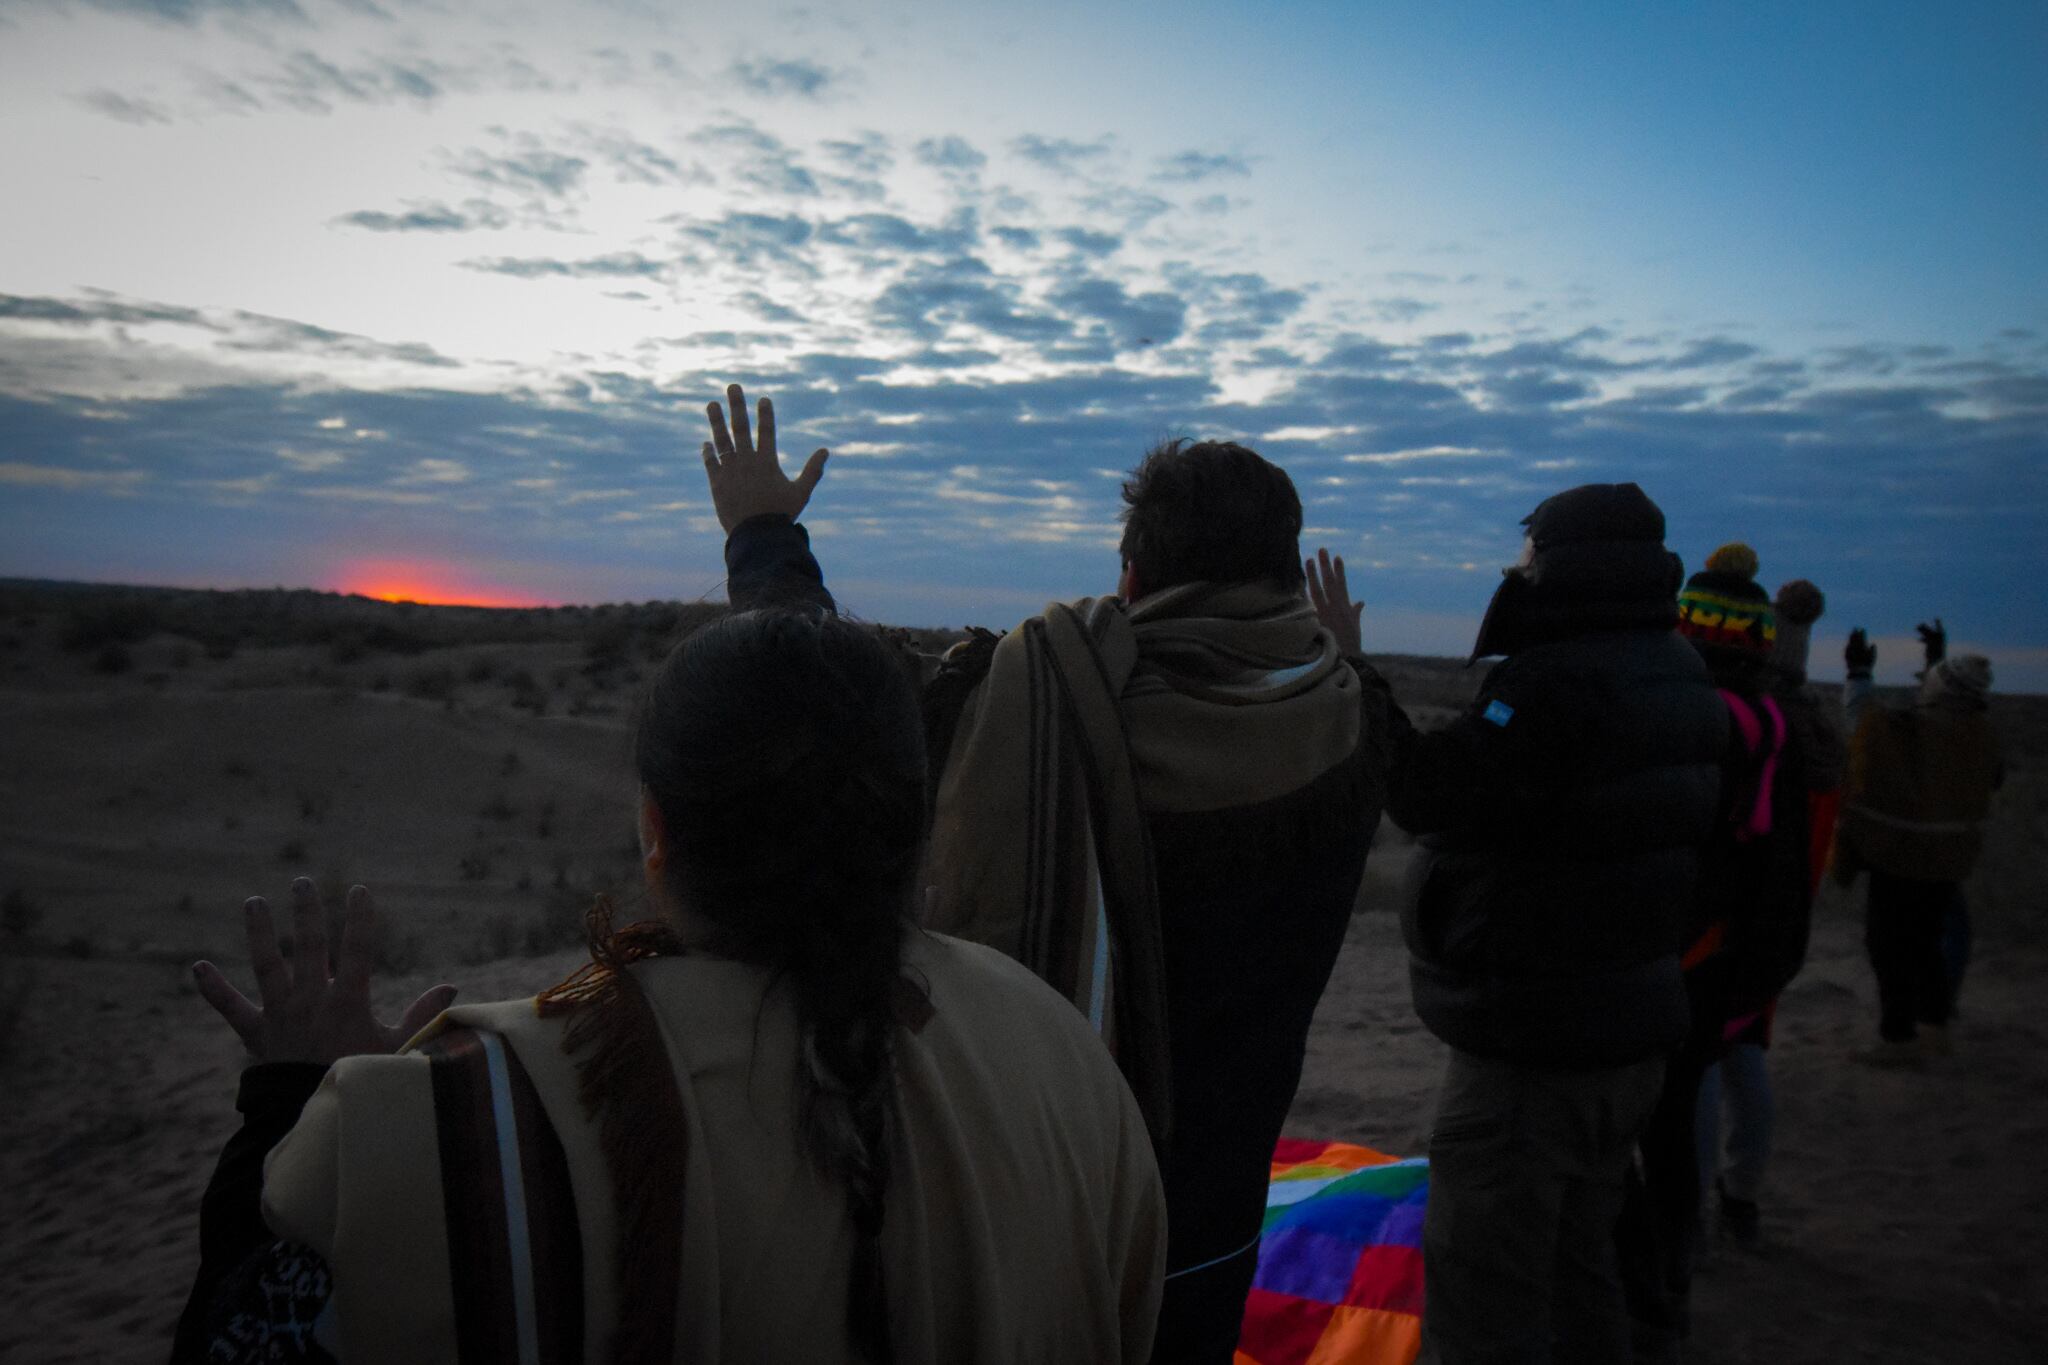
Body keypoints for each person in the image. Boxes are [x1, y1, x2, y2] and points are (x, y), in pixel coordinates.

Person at [174, 609, 1167, 1363]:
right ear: (912, 826)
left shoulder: (441, 1134)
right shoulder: (1066, 1059)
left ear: (654, 831)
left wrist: (286, 1103)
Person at [702, 384, 1408, 1363]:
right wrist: (1348, 658)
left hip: (1025, 1201)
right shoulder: (1354, 721)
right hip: (1216, 1220)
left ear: (1129, 574)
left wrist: (763, 535)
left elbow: (834, 695)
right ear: (1289, 576)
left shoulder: (1036, 700)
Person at [1310, 483, 1727, 1365]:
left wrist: (1354, 670)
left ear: (1567, 563)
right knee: (1581, 1270)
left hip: (1534, 1051)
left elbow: (1429, 792)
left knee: (1483, 1293)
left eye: (1531, 551)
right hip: (1627, 1034)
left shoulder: (1556, 682)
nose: (1518, 567)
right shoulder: (1681, 672)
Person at [1621, 544, 1812, 1362]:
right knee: (1712, 1078)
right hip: (1734, 944)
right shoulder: (1778, 726)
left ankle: (1676, 1245)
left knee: (1670, 1106)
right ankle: (1700, 1229)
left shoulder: (1693, 721)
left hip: (1681, 941)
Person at [1695, 575, 1844, 1248]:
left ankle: (1689, 1211)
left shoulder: (1735, 723)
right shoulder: (1810, 727)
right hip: (1779, 918)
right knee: (1746, 1049)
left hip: (1719, 925)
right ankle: (1742, 1197)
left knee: (1696, 1064)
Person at [1835, 621, 2003, 1062]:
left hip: (1902, 857)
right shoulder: (1980, 737)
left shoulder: (1916, 733)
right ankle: (1935, 1027)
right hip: (1950, 860)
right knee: (1927, 942)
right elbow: (1937, 726)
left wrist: (1857, 674)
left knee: (1887, 945)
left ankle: (1899, 1037)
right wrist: (1935, 663)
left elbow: (1864, 730)